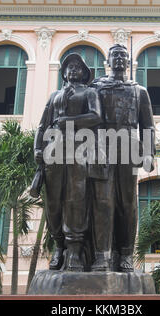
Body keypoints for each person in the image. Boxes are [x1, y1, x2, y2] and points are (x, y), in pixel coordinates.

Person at [90, 44, 156, 272]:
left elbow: (147, 126)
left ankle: (126, 253)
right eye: (114, 55)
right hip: (101, 145)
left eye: (123, 56)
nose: (119, 58)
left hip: (128, 144)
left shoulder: (139, 91)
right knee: (103, 202)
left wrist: (148, 153)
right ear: (107, 61)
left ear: (128, 62)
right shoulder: (96, 88)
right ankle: (103, 255)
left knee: (127, 203)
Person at [33, 53, 102, 271]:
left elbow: (96, 116)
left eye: (78, 67)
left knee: (76, 200)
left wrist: (69, 122)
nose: (73, 70)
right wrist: (37, 148)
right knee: (53, 203)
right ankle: (59, 246)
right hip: (53, 154)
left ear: (84, 73)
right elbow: (42, 125)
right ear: (64, 72)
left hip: (78, 152)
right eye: (69, 67)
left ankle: (74, 251)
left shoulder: (89, 92)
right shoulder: (55, 95)